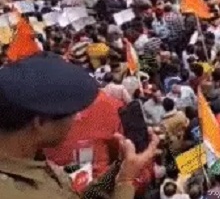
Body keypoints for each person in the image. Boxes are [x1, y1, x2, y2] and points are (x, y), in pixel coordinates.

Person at [0, 52, 159, 199]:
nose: (76, 118)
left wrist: (119, 169)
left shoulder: (31, 159)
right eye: (71, 114)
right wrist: (125, 182)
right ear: (41, 122)